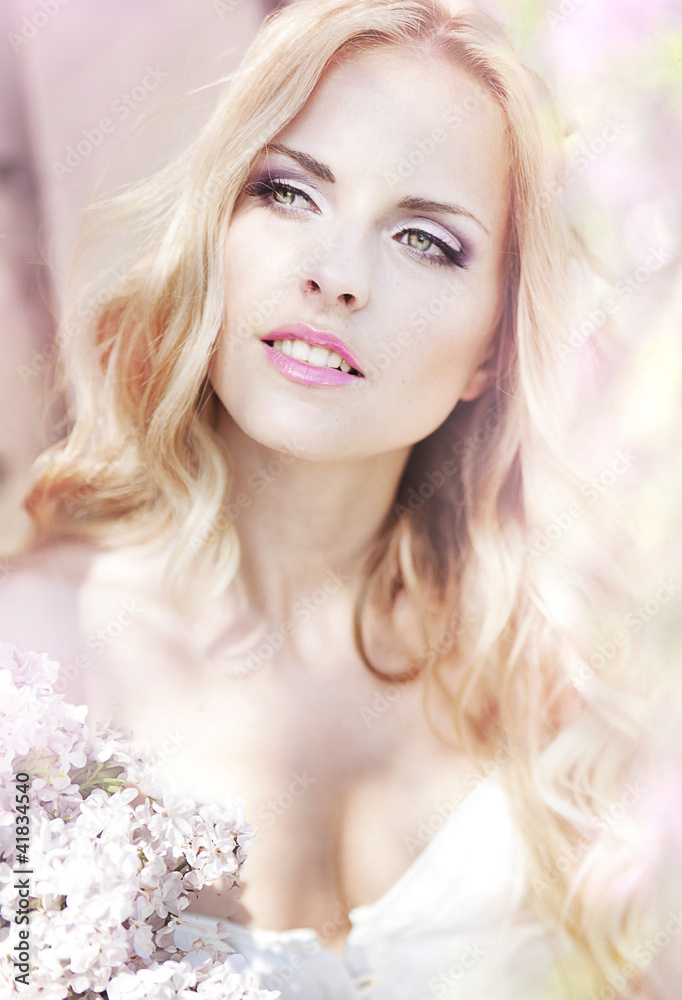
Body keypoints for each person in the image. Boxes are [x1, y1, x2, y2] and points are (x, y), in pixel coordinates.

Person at [0, 0, 672, 996]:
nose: (336, 275)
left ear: (491, 349)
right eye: (288, 193)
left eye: (425, 241)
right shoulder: (37, 659)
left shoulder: (564, 687)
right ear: (216, 225)